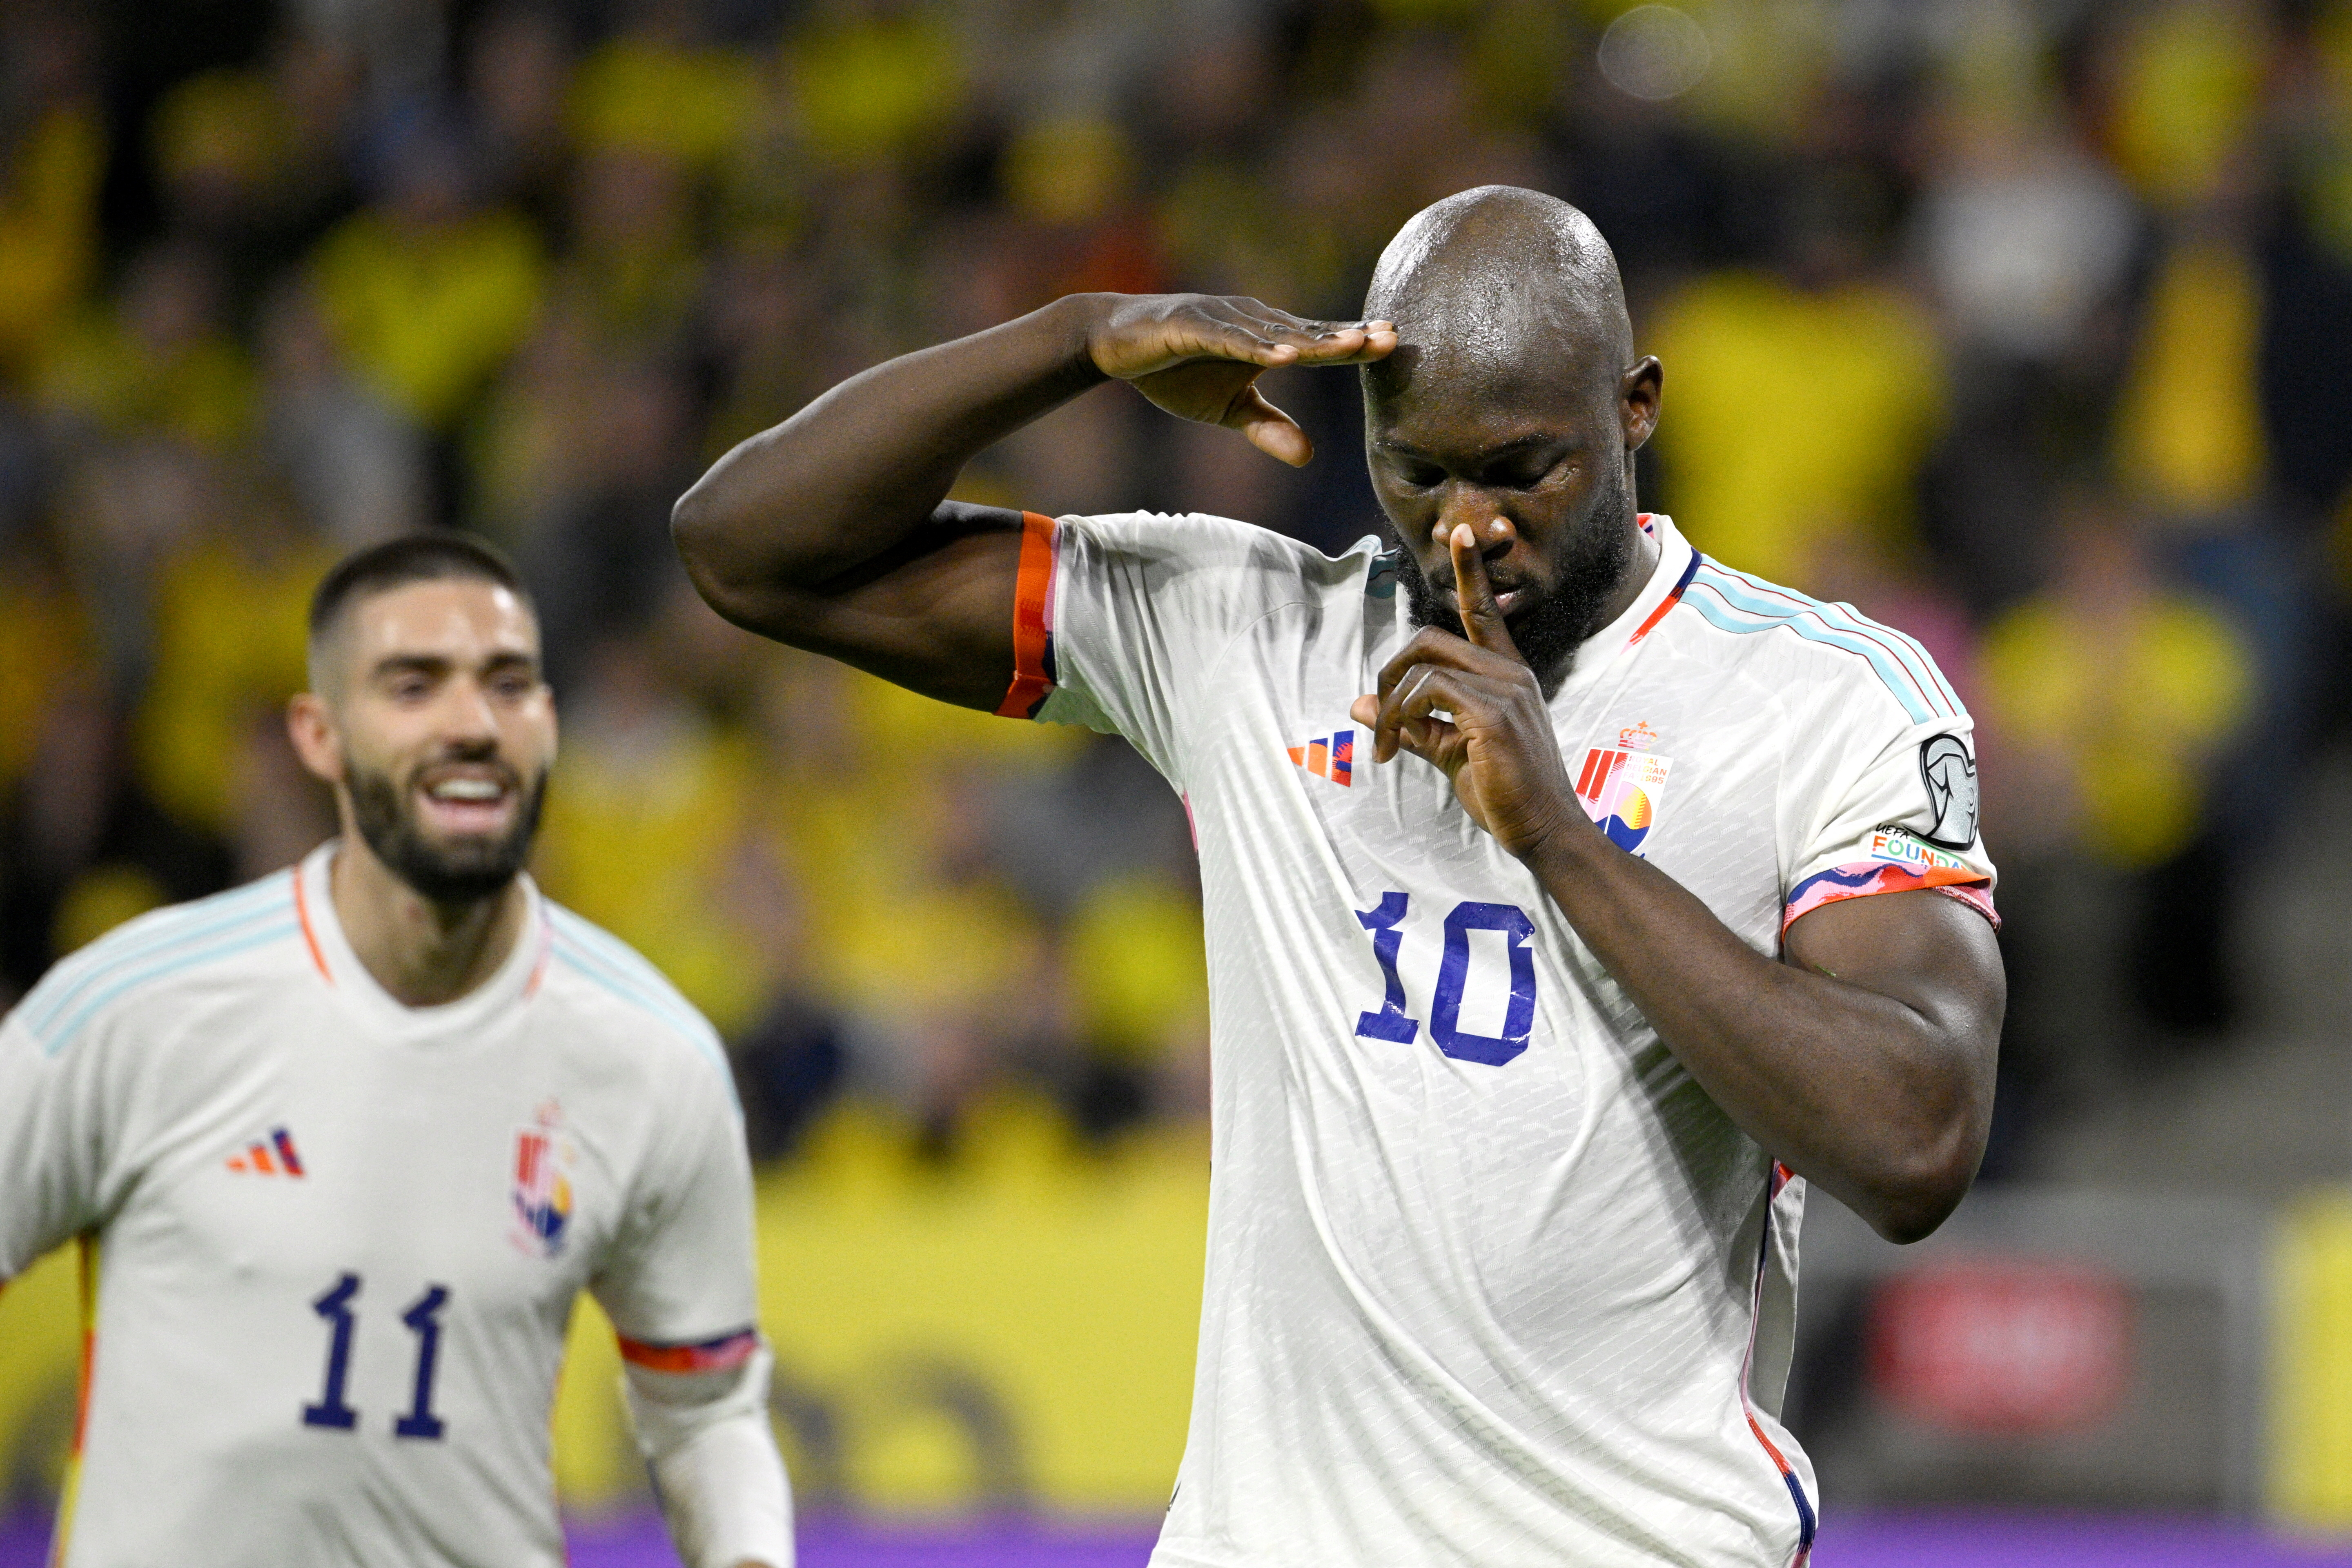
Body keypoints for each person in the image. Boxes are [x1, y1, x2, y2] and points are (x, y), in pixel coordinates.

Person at [672, 186, 2005, 1566]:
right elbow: (749, 548)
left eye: (1520, 470)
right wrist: (1077, 338)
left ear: (1636, 409)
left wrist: (1555, 833)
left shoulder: (1822, 698)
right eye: (1420, 473)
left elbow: (1914, 1142)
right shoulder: (1247, 633)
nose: (1467, 529)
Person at [0, 534, 792, 1568]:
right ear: (320, 735)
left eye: (508, 686)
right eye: (413, 686)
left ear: (549, 727)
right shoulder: (132, 1010)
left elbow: (707, 1413)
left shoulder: (653, 1058)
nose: (471, 724)